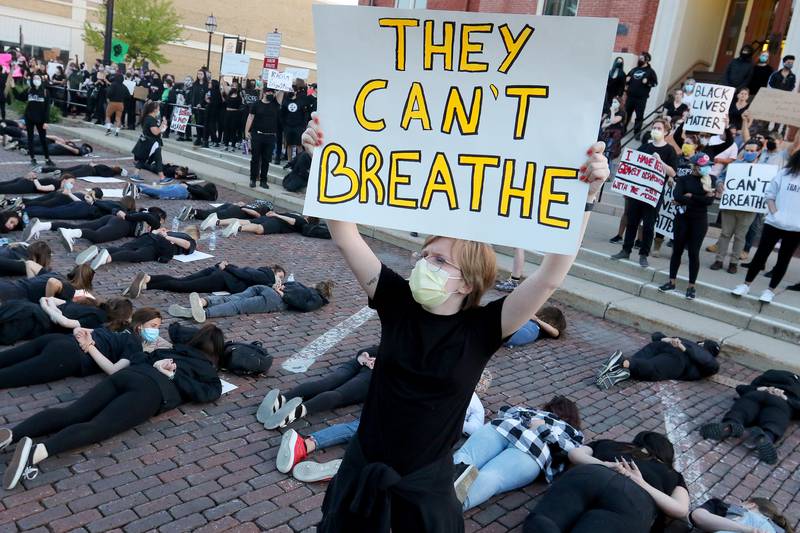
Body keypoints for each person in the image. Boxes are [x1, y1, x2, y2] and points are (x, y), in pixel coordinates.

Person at [302, 113, 610, 531]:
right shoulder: (397, 301)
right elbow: (344, 233)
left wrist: (586, 196)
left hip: (423, 489)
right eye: (426, 255)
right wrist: (321, 157)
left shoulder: (484, 328)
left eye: (440, 260)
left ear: (468, 281)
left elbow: (550, 275)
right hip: (362, 473)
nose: (425, 264)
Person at [0, 324, 224, 491]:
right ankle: (35, 453)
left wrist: (156, 363)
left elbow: (137, 358)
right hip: (150, 392)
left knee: (72, 412)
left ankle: (13, 434)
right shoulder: (208, 372)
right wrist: (174, 376)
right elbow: (209, 393)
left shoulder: (170, 351)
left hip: (128, 375)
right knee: (97, 426)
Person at [274, 369, 493, 484]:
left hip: (394, 408)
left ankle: (306, 444)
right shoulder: (472, 401)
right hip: (416, 429)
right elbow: (474, 428)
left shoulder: (442, 379)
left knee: (357, 427)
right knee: (396, 453)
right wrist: (456, 420)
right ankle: (349, 467)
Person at [523, 431, 689, 533]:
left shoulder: (609, 444)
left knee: (542, 522)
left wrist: (606, 464)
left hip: (589, 475)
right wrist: (641, 482)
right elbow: (680, 509)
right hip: (633, 499)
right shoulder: (671, 474)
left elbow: (575, 454)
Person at [453, 396, 583, 511]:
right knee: (492, 477)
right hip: (531, 446)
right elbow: (570, 450)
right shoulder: (571, 431)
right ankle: (446, 505)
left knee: (468, 457)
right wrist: (538, 425)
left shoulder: (534, 412)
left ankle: (440, 491)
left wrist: (538, 424)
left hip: (512, 432)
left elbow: (504, 411)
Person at [0, 306, 156, 389]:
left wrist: (85, 341)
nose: (156, 330)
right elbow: (114, 370)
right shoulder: (134, 343)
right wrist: (89, 347)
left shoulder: (117, 326)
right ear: (140, 326)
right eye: (153, 326)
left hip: (57, 341)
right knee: (8, 376)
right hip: (68, 356)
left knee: (6, 359)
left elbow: (79, 330)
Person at [731, 149, 800, 303]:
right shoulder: (784, 174)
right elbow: (770, 195)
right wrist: (775, 214)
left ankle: (770, 291)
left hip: (796, 228)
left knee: (784, 260)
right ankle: (745, 285)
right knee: (760, 255)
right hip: (774, 223)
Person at [259, 345, 380, 430]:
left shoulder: (393, 338)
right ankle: (295, 412)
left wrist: (363, 356)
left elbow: (370, 350)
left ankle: (281, 399)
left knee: (325, 383)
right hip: (374, 374)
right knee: (339, 394)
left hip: (358, 362)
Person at [611, 118, 677, 267]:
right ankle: (626, 250)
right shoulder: (645, 147)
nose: (656, 130)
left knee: (648, 225)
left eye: (659, 128)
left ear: (666, 132)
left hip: (653, 194)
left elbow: (672, 172)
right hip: (637, 193)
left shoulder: (669, 150)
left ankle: (643, 254)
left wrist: (659, 161)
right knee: (632, 221)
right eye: (654, 127)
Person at [700, 369, 800, 464]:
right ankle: (766, 436)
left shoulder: (768, 375)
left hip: (757, 393)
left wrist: (760, 389)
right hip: (780, 402)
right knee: (775, 420)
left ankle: (731, 425)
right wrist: (786, 398)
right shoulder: (797, 386)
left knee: (742, 410)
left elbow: (740, 388)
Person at [657, 152, 715, 298]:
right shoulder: (684, 179)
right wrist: (697, 198)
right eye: (703, 166)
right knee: (677, 250)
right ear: (694, 166)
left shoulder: (710, 180)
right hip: (682, 219)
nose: (706, 168)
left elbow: (709, 202)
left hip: (699, 221)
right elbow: (677, 196)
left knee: (694, 253)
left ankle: (691, 286)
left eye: (707, 166)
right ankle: (671, 281)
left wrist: (690, 196)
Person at [167, 279, 333, 323]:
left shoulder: (310, 293)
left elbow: (304, 305)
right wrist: (281, 290)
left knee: (235, 299)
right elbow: (304, 305)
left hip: (271, 293)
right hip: (272, 296)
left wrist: (280, 290)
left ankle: (203, 304)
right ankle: (203, 309)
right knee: (236, 304)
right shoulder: (311, 294)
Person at [595, 332, 720, 389]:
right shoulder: (703, 356)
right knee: (652, 369)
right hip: (677, 359)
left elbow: (657, 336)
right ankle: (622, 362)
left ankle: (623, 370)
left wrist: (668, 340)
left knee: (638, 364)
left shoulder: (688, 342)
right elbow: (711, 366)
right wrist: (682, 347)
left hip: (662, 345)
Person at [710, 140, 762, 275]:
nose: (749, 153)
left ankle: (733, 263)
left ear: (759, 152)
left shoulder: (763, 170)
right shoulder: (735, 165)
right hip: (730, 205)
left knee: (740, 236)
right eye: (747, 150)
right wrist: (720, 184)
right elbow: (721, 177)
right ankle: (719, 260)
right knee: (725, 233)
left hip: (748, 209)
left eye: (752, 151)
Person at [26, 206, 165, 252]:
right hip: (121, 225)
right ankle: (70, 234)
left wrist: (119, 212)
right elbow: (144, 216)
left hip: (112, 220)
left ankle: (42, 225)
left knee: (79, 226)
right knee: (98, 237)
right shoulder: (153, 220)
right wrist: (127, 216)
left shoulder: (147, 220)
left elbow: (116, 209)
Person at [123, 261, 285, 299]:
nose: (280, 280)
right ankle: (147, 281)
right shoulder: (267, 276)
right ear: (275, 271)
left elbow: (243, 272)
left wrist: (225, 265)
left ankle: (147, 282)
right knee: (182, 286)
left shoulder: (260, 271)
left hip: (219, 273)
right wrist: (226, 268)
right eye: (281, 276)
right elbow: (246, 276)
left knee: (181, 281)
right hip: (221, 279)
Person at [76, 228, 197, 271]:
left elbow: (156, 232)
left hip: (151, 237)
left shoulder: (175, 232)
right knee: (137, 254)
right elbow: (186, 244)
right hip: (161, 245)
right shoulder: (189, 238)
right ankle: (108, 258)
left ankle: (97, 252)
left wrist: (161, 233)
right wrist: (167, 237)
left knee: (125, 247)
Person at [12, 73, 53, 167]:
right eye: (34, 78)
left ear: (41, 80)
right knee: (30, 139)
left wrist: (46, 121)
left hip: (41, 119)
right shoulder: (29, 90)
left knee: (43, 139)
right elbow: (20, 97)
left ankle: (47, 159)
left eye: (38, 78)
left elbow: (47, 108)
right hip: (29, 118)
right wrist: (13, 87)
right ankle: (32, 159)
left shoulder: (46, 92)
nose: (36, 80)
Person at [690, 497, 795, 533]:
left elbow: (697, 516)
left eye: (743, 502)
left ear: (751, 505)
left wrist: (745, 529)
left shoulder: (736, 510)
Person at [0, 264, 93, 303]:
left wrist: (32, 283)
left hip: (10, 285)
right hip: (12, 295)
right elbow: (52, 282)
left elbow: (30, 264)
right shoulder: (69, 288)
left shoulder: (56, 274)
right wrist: (48, 303)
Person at [244, 87, 280, 188]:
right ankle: (253, 178)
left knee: (266, 159)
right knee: (255, 158)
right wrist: (246, 131)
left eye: (272, 92)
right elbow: (250, 117)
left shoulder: (275, 104)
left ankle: (263, 180)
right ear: (264, 93)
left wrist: (281, 87)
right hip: (257, 135)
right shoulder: (256, 104)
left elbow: (281, 93)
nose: (271, 94)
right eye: (269, 92)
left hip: (270, 136)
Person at [131, 100, 168, 183]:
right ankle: (162, 177)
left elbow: (157, 131)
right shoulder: (150, 119)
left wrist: (162, 126)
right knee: (158, 159)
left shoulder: (148, 118)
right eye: (158, 108)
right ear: (154, 109)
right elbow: (155, 132)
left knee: (144, 159)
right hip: (151, 143)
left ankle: (135, 174)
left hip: (149, 142)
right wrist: (162, 125)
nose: (159, 110)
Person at [624, 52, 658, 139]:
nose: (640, 60)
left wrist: (648, 83)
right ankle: (623, 130)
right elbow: (627, 79)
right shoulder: (634, 70)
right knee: (626, 114)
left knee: (639, 116)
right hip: (630, 97)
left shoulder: (650, 71)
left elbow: (655, 83)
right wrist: (627, 80)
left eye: (642, 58)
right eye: (640, 58)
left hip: (641, 98)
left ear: (647, 60)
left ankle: (637, 132)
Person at [210, 210, 315, 238]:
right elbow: (292, 221)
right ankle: (238, 228)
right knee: (259, 229)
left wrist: (275, 214)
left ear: (309, 218)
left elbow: (292, 220)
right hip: (277, 222)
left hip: (272, 217)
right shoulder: (302, 220)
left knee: (246, 220)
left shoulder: (300, 218)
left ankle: (217, 221)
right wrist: (277, 215)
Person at [180, 199, 273, 223]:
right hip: (238, 211)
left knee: (213, 212)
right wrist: (243, 207)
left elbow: (255, 212)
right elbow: (257, 215)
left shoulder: (259, 204)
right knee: (215, 214)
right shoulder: (265, 208)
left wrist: (242, 206)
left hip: (235, 207)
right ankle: (194, 212)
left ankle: (194, 212)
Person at [222, 81, 243, 151]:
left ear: (237, 87)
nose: (233, 87)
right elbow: (224, 86)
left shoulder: (239, 95)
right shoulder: (229, 93)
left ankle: (233, 146)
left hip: (235, 114)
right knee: (226, 129)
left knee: (233, 130)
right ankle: (226, 145)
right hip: (227, 113)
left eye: (235, 86)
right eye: (232, 85)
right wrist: (222, 77)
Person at [105, 72, 127, 136]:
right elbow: (128, 95)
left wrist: (108, 97)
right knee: (118, 118)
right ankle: (117, 132)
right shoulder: (124, 86)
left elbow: (109, 92)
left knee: (108, 115)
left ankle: (108, 129)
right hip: (121, 103)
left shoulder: (113, 84)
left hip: (112, 102)